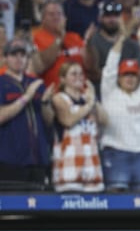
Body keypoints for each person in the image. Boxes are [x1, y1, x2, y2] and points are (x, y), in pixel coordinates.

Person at [100, 21, 140, 191]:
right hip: (117, 153)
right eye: (126, 74)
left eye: (133, 75)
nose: (130, 78)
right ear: (119, 77)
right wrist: (122, 38)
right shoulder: (110, 92)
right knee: (117, 202)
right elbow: (109, 68)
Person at [0, 39, 55, 185]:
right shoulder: (2, 83)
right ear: (5, 58)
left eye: (22, 55)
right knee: (10, 206)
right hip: (9, 159)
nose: (19, 59)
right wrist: (26, 97)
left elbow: (49, 120)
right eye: (14, 54)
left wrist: (45, 103)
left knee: (40, 205)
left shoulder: (36, 83)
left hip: (38, 158)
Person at [51, 62, 107, 192]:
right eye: (73, 74)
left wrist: (94, 100)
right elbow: (68, 120)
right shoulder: (59, 98)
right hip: (69, 167)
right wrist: (88, 106)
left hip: (91, 166)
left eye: (81, 73)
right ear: (63, 79)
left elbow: (105, 120)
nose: (79, 77)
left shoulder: (87, 99)